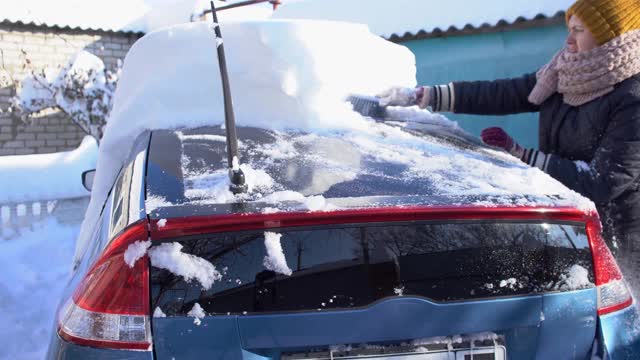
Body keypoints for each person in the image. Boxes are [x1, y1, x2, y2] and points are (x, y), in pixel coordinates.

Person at [379, 0, 640, 293]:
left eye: (579, 30)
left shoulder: (632, 96)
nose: (568, 39)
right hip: (570, 224)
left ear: (611, 36)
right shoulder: (564, 73)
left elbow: (605, 181)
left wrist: (525, 156)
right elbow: (503, 93)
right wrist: (426, 96)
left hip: (620, 238)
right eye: (569, 28)